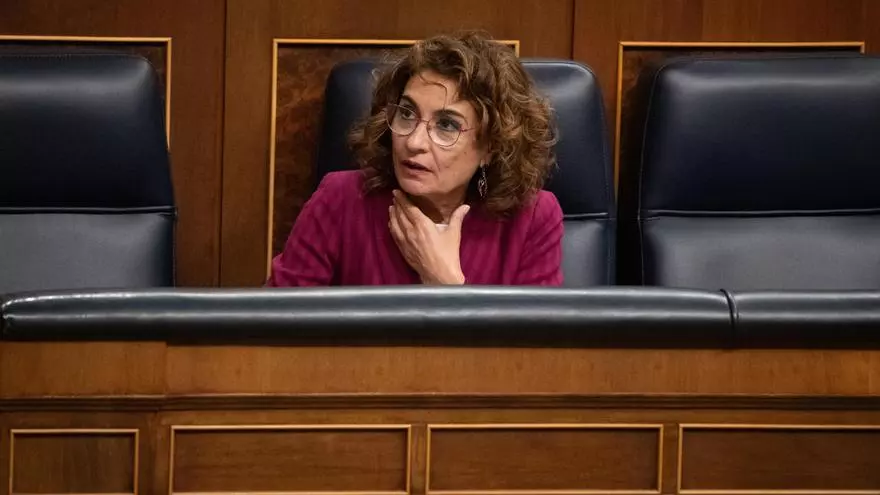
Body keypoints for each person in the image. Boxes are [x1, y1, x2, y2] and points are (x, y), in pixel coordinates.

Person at [267, 31, 563, 286]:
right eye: (407, 113)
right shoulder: (340, 200)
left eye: (446, 125)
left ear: (491, 146)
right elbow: (278, 324)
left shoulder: (532, 219)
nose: (414, 142)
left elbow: (536, 337)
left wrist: (445, 284)